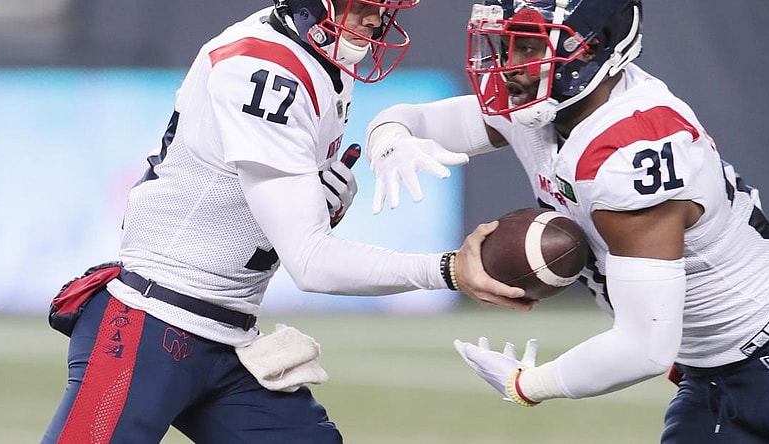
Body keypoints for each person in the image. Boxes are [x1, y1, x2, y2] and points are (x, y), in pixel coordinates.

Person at [42, 1, 531, 443]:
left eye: (383, 8)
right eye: (362, 5)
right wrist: (448, 270)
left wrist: (319, 201)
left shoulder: (316, 59)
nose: (376, 21)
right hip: (154, 320)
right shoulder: (264, 66)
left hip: (227, 335)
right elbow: (312, 263)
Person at [363, 0, 769, 442]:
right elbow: (416, 118)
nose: (508, 67)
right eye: (505, 47)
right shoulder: (544, 104)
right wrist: (390, 138)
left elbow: (644, 348)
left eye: (528, 49)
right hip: (712, 370)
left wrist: (526, 385)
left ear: (592, 47)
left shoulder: (631, 146)